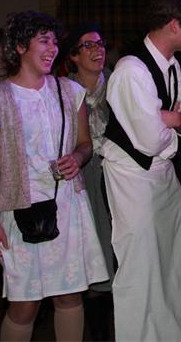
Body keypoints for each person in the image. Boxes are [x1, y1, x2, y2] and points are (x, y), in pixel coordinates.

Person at [0, 11, 107, 342]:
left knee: (70, 296)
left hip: (68, 205)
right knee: (24, 305)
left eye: (54, 42)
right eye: (43, 41)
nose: (52, 49)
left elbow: (85, 143)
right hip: (20, 209)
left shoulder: (70, 91)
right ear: (20, 46)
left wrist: (77, 158)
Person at [100, 0, 181, 342]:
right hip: (132, 175)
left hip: (162, 175)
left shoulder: (170, 64)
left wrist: (173, 118)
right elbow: (150, 140)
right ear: (174, 25)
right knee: (140, 266)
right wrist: (176, 125)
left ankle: (172, 335)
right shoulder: (132, 70)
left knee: (171, 261)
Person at [66, 22, 115, 341]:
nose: (98, 50)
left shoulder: (118, 84)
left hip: (118, 173)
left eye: (100, 44)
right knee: (91, 252)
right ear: (73, 56)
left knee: (117, 251)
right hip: (83, 175)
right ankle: (97, 333)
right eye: (88, 45)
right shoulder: (64, 91)